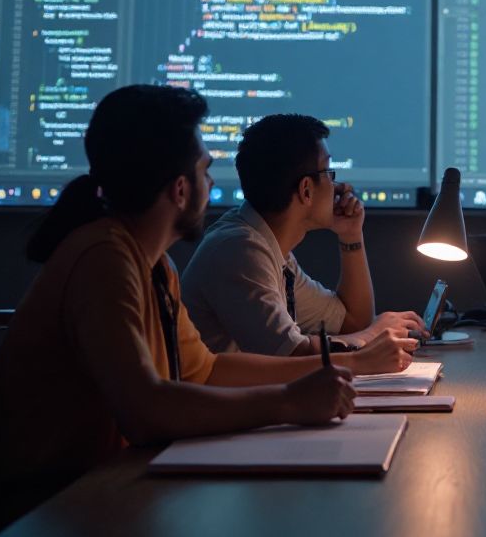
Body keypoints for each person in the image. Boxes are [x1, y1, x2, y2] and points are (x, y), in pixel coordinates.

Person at [0, 85, 355, 518]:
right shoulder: (104, 259)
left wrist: (317, 379)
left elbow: (208, 370)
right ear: (180, 190)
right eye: (205, 170)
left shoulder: (154, 265)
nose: (212, 182)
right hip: (53, 508)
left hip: (111, 485)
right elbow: (146, 410)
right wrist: (289, 403)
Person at [182, 113, 426, 363]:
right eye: (329, 173)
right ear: (306, 190)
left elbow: (351, 322)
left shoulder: (270, 247)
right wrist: (372, 334)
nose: (339, 186)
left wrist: (350, 235)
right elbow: (290, 354)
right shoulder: (239, 250)